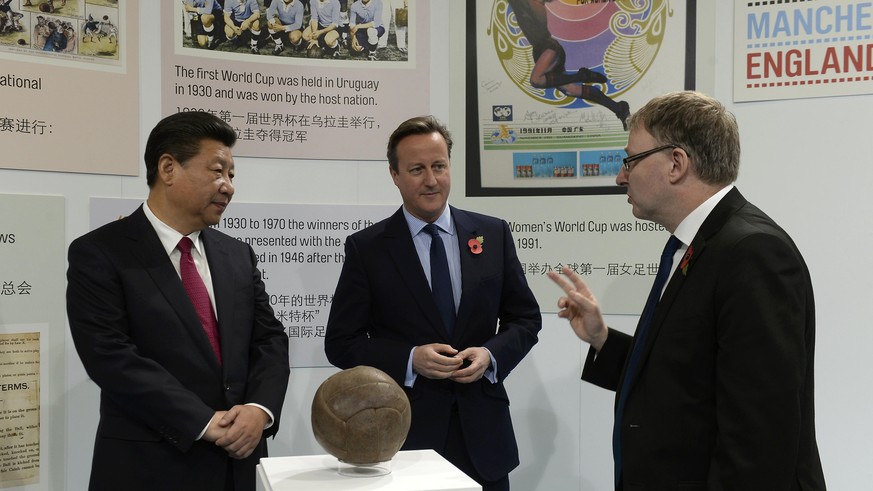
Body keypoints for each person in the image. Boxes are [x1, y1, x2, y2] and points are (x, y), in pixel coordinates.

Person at [548, 91, 827, 490]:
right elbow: (685, 377)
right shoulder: (698, 245)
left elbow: (759, 436)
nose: (620, 176)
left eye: (630, 160)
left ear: (676, 163)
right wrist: (602, 340)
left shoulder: (752, 252)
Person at [66, 111, 291, 491]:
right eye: (217, 171)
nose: (228, 187)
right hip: (149, 466)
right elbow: (110, 357)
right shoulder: (101, 252)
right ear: (168, 168)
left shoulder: (237, 255)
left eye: (232, 175)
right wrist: (204, 422)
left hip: (238, 467)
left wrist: (259, 410)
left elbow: (269, 339)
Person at [324, 115, 541, 491]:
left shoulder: (492, 233)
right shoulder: (368, 249)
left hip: (484, 438)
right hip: (403, 437)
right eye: (416, 169)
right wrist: (411, 359)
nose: (431, 180)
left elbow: (525, 319)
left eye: (439, 166)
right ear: (394, 174)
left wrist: (490, 357)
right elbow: (341, 342)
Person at [506, 0, 630, 130]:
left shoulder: (534, 3)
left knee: (536, 80)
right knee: (570, 89)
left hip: (549, 49)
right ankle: (619, 108)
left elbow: (542, 29)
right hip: (539, 51)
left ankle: (582, 75)